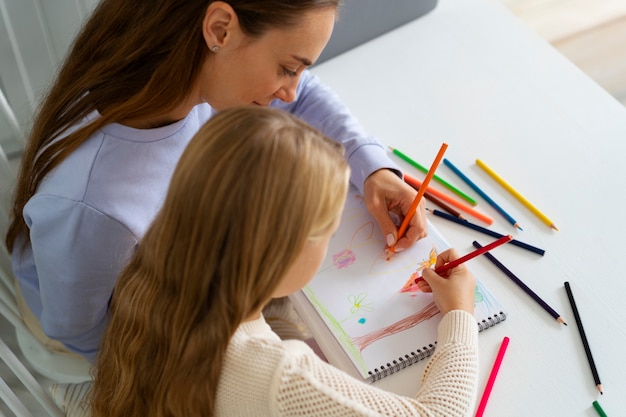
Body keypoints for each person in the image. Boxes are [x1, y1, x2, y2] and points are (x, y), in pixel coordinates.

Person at [4, 0, 428, 363]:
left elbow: (307, 96)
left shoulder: (186, 78)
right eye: (286, 68)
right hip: (101, 346)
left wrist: (371, 166)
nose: (290, 93)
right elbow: (79, 334)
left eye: (297, 69)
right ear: (220, 29)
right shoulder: (95, 206)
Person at [90, 107, 478, 417]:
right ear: (281, 251)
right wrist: (459, 312)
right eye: (330, 228)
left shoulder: (153, 272)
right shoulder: (281, 377)